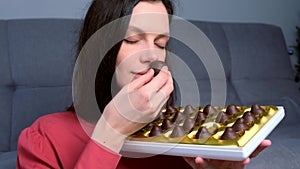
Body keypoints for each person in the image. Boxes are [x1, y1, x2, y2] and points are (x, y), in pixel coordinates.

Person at [16, 0, 271, 169]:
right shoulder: (43, 138)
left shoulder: (180, 142)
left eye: (160, 43)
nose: (152, 56)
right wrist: (111, 132)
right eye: (132, 39)